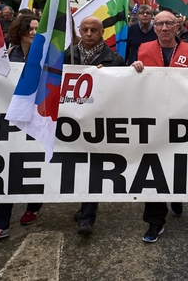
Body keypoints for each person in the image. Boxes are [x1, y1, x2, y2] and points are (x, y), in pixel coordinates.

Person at [132, 10, 188, 243]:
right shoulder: (141, 50)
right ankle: (154, 222)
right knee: (154, 169)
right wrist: (132, 68)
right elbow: (123, 79)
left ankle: (176, 196)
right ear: (155, 27)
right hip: (153, 121)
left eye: (170, 23)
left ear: (178, 26)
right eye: (160, 24)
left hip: (183, 121)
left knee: (178, 165)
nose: (165, 28)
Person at [0, 15, 43, 241]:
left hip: (38, 118)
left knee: (35, 163)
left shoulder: (48, 57)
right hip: (13, 120)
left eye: (38, 29)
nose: (34, 32)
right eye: (30, 28)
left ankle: (34, 204)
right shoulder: (8, 56)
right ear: (21, 31)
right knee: (10, 167)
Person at [66, 16, 125, 236]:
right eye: (85, 29)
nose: (89, 34)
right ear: (79, 31)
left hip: (99, 122)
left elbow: (123, 90)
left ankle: (87, 217)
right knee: (75, 166)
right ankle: (83, 207)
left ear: (102, 33)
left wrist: (107, 76)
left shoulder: (115, 60)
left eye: (94, 30)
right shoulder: (67, 56)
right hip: (71, 121)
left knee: (94, 168)